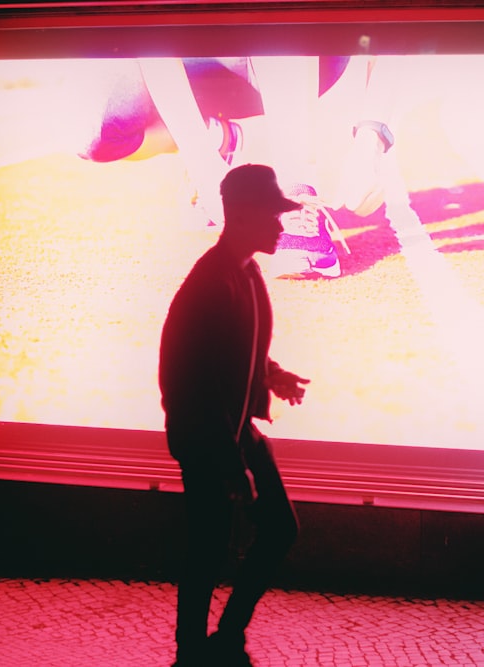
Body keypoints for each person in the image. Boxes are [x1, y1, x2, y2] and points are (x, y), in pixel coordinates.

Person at [159, 164, 310, 666]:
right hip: (210, 439)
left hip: (232, 430)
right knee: (208, 549)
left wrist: (272, 374)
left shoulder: (242, 271)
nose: (282, 226)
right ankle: (193, 650)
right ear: (243, 216)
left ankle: (221, 638)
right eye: (274, 215)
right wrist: (230, 462)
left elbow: (233, 352)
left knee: (264, 533)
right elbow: (190, 382)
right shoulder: (212, 283)